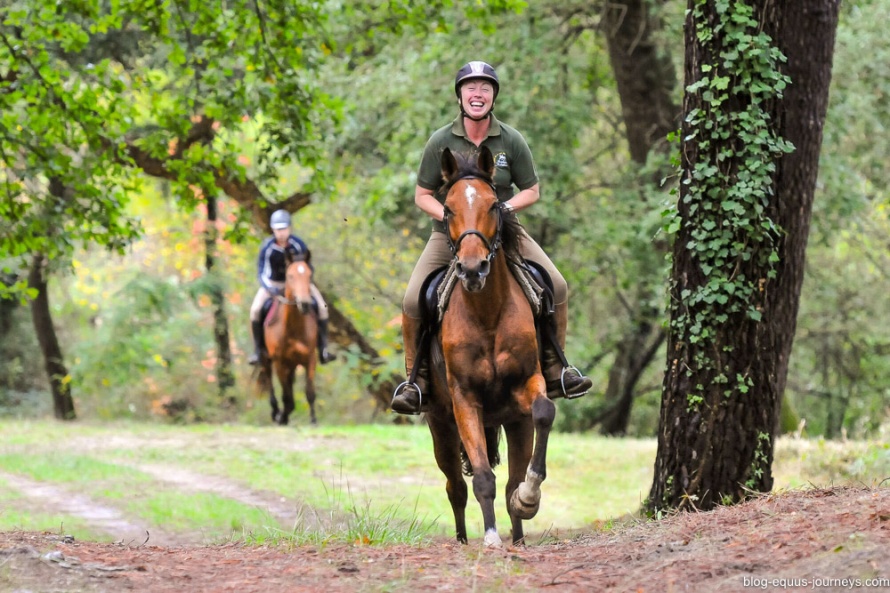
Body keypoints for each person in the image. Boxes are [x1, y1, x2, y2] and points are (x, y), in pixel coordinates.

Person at [390, 60, 592, 415]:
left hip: (502, 231)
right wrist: (455, 218)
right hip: (449, 234)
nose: (477, 94)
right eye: (471, 88)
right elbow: (422, 195)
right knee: (411, 300)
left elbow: (532, 189)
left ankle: (557, 368)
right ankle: (415, 380)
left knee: (557, 285)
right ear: (460, 96)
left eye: (485, 88)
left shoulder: (510, 140)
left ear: (493, 96)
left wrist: (505, 209)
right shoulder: (441, 141)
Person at [247, 209, 334, 365]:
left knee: (322, 307)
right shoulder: (267, 248)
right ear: (273, 230)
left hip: (298, 283)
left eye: (284, 228)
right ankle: (258, 351)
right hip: (273, 284)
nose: (281, 233)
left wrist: (304, 284)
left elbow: (308, 267)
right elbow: (261, 272)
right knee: (255, 310)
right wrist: (270, 288)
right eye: (278, 229)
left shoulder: (298, 245)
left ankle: (323, 349)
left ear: (289, 228)